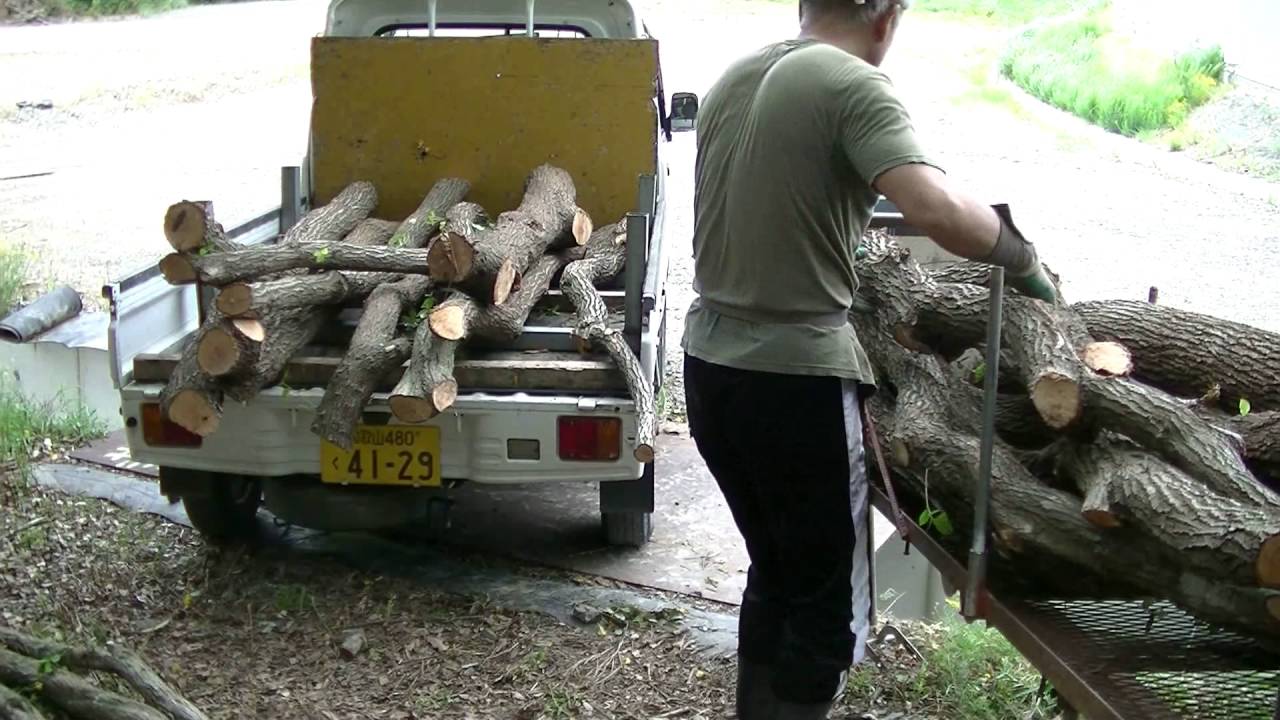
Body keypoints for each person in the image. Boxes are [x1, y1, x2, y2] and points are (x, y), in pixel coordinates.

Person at [680, 0, 1058, 718]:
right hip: (792, 382)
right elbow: (937, 210)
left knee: (777, 573)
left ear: (803, 6)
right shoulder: (852, 82)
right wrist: (1024, 259)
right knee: (828, 615)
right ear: (886, 16)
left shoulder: (736, 76)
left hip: (710, 368)